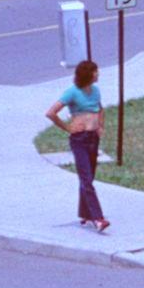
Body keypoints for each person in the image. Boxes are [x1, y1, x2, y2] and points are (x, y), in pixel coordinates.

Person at [45, 60, 109, 233]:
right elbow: (51, 113)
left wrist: (100, 126)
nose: (98, 74)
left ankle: (85, 213)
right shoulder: (72, 92)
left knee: (88, 178)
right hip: (79, 140)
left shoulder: (96, 91)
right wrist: (68, 128)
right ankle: (98, 218)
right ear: (87, 74)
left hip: (93, 138)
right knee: (86, 178)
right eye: (95, 71)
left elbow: (100, 109)